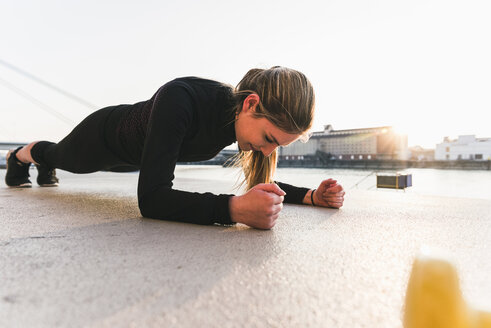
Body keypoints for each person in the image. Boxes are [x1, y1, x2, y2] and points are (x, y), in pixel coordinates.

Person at [4, 66, 345, 229]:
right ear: (251, 104)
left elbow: (259, 185)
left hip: (134, 159)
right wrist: (234, 210)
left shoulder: (241, 124)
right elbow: (151, 200)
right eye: (270, 139)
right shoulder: (182, 99)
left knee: (62, 159)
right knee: (58, 156)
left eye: (278, 146)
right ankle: (17, 156)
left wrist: (312, 196)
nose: (268, 152)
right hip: (102, 139)